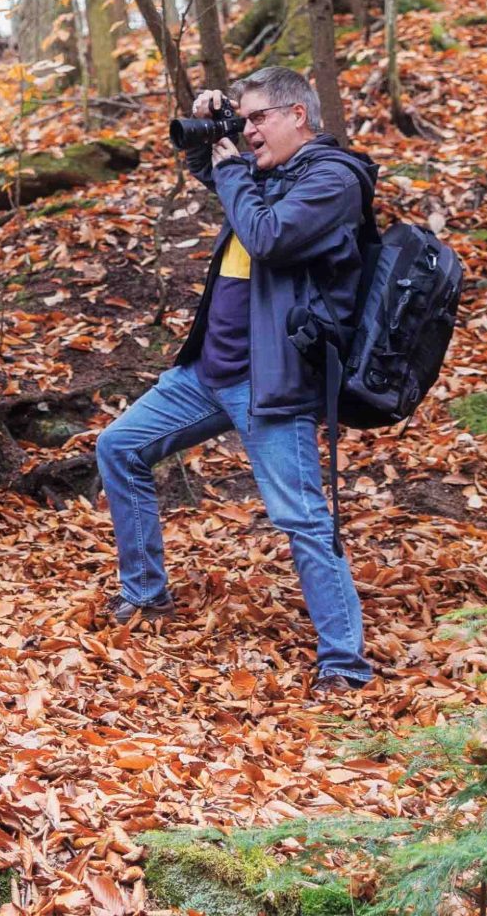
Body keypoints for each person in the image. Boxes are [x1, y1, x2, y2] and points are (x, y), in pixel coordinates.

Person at [93, 66, 378, 692]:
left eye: (257, 120)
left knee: (302, 516)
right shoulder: (272, 172)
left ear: (297, 116)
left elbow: (268, 236)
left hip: (272, 380)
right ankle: (146, 594)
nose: (248, 132)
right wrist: (208, 143)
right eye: (242, 122)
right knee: (118, 446)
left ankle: (344, 663)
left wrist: (229, 168)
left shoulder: (334, 180)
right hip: (209, 371)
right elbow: (233, 192)